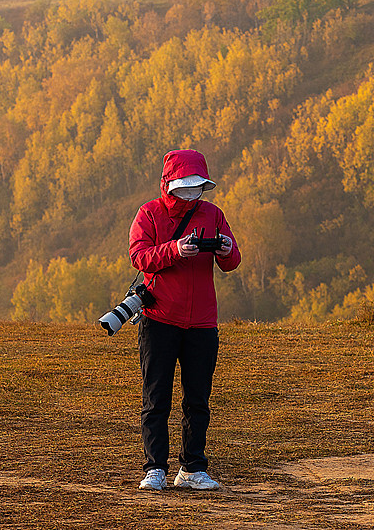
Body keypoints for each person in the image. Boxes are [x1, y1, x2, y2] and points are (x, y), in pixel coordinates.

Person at [129, 149, 241, 491]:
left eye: (196, 187)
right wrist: (175, 250)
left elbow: (233, 261)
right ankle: (155, 468)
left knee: (198, 399)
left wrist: (225, 248)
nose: (190, 193)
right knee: (156, 398)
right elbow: (139, 257)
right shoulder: (149, 214)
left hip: (203, 323)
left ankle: (193, 468)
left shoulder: (213, 214)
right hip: (159, 319)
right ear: (169, 185)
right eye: (184, 186)